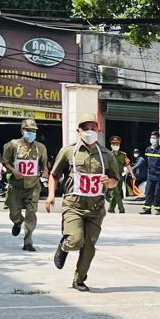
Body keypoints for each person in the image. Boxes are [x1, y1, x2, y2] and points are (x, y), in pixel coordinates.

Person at [45, 113, 121, 292]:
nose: (90, 131)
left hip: (95, 207)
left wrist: (108, 182)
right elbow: (54, 175)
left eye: (93, 128)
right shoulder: (69, 151)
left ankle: (79, 279)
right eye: (85, 128)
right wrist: (50, 196)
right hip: (74, 205)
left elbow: (115, 180)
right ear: (78, 130)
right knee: (75, 240)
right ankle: (64, 247)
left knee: (89, 247)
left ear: (98, 130)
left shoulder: (107, 155)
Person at [1, 119, 49, 252]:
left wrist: (45, 171)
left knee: (31, 213)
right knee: (13, 213)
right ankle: (17, 222)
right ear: (22, 131)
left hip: (33, 186)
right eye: (29, 130)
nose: (31, 133)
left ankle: (28, 241)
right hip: (15, 186)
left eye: (34, 131)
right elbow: (5, 161)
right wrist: (13, 170)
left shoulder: (40, 148)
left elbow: (44, 164)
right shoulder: (13, 145)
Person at [140, 131, 160, 215]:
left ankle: (157, 209)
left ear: (158, 139)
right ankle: (147, 209)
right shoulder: (148, 150)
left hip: (159, 175)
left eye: (154, 138)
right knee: (148, 191)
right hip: (150, 174)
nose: (152, 140)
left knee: (157, 192)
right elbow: (146, 160)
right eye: (151, 138)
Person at [106, 135, 128, 213]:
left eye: (117, 144)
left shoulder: (123, 155)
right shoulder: (108, 155)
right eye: (114, 144)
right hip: (112, 177)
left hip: (120, 176)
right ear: (111, 145)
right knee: (117, 192)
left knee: (117, 192)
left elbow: (127, 164)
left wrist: (128, 171)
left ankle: (111, 208)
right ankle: (121, 208)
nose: (115, 146)